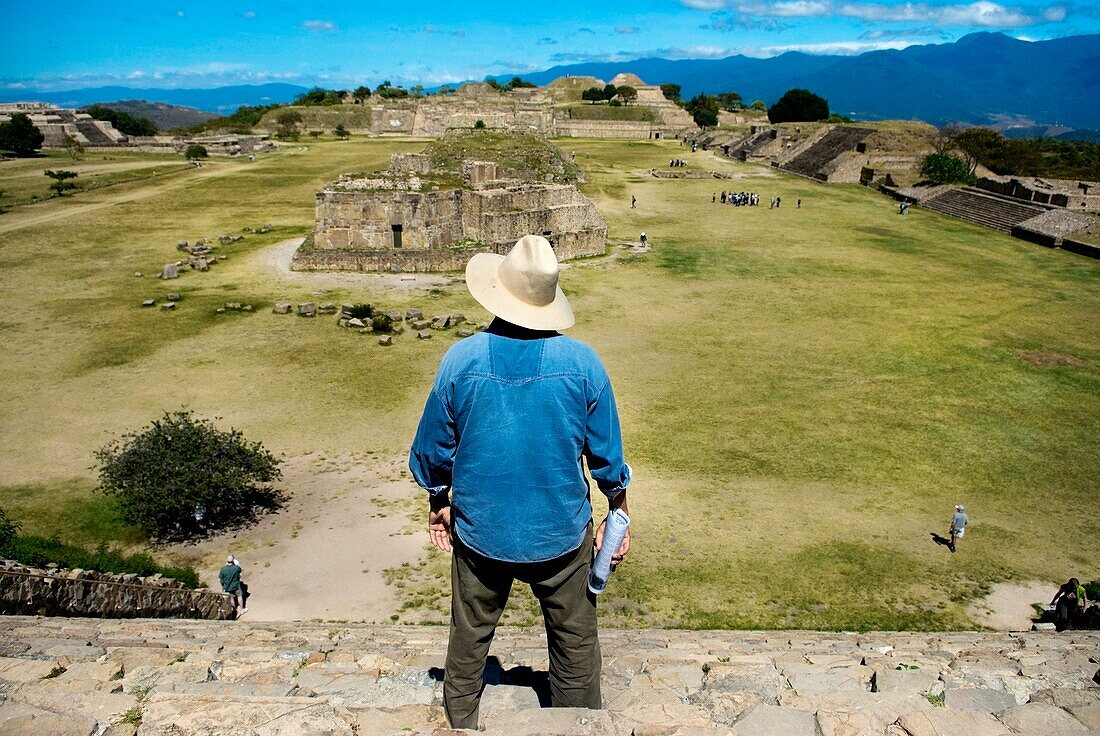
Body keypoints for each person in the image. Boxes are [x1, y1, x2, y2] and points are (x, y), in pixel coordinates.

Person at [410, 235, 632, 731]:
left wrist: (438, 499)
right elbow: (608, 461)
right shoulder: (583, 365)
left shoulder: (460, 362)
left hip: (481, 532)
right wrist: (618, 514)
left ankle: (461, 719)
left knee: (469, 635)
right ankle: (576, 722)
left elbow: (430, 454)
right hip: (560, 532)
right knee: (574, 639)